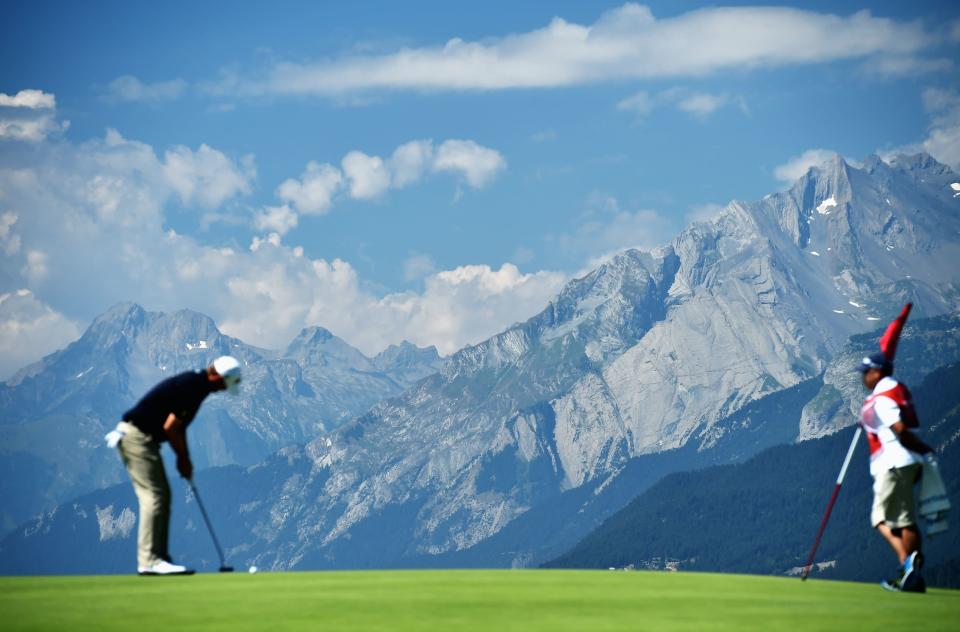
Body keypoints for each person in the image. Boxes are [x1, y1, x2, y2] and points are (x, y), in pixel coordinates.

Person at [105, 356, 242, 575]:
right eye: (224, 384)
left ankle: (158, 557)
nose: (223, 390)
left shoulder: (197, 386)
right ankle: (150, 560)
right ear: (216, 375)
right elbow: (171, 428)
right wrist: (183, 459)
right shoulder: (193, 388)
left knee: (163, 494)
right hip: (137, 437)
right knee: (154, 496)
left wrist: (183, 458)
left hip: (142, 439)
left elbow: (178, 427)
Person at [859, 351, 932, 593]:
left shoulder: (883, 398)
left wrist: (923, 448)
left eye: (865, 372)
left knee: (883, 518)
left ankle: (908, 566)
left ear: (876, 372)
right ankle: (912, 571)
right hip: (909, 462)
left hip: (894, 463)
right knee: (903, 519)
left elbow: (898, 427)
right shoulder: (899, 390)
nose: (863, 378)